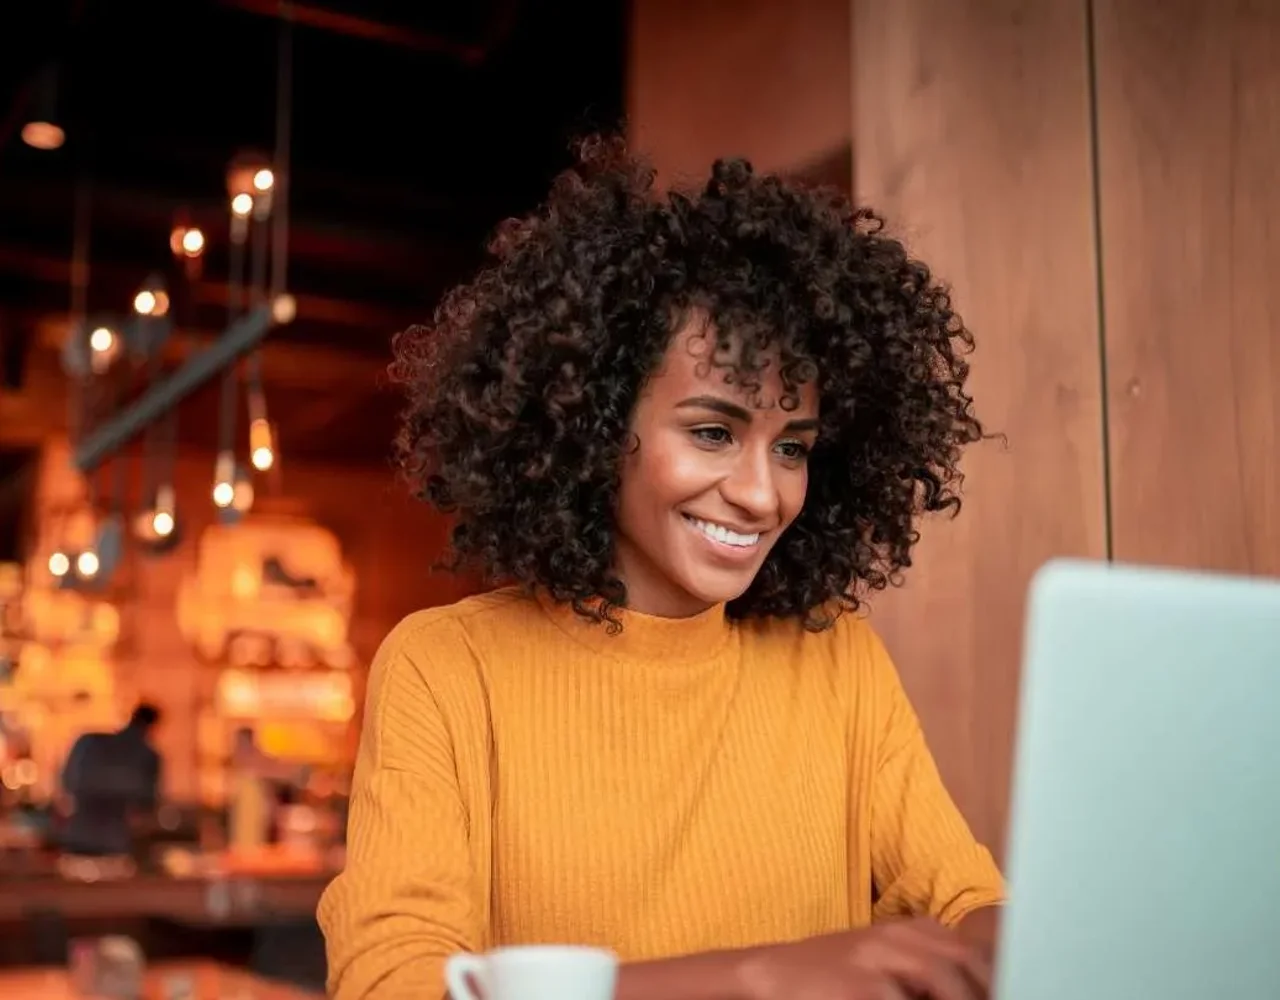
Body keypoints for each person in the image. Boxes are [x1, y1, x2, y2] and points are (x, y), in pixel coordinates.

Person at [318, 138, 1005, 1000]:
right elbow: (392, 986)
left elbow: (966, 906)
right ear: (598, 423)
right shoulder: (446, 670)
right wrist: (753, 978)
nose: (762, 494)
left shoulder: (837, 661)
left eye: (791, 447)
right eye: (713, 432)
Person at [60, 702, 162, 856]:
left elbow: (67, 781)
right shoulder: (147, 756)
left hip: (81, 836)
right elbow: (147, 804)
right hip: (114, 841)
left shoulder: (89, 743)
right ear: (152, 726)